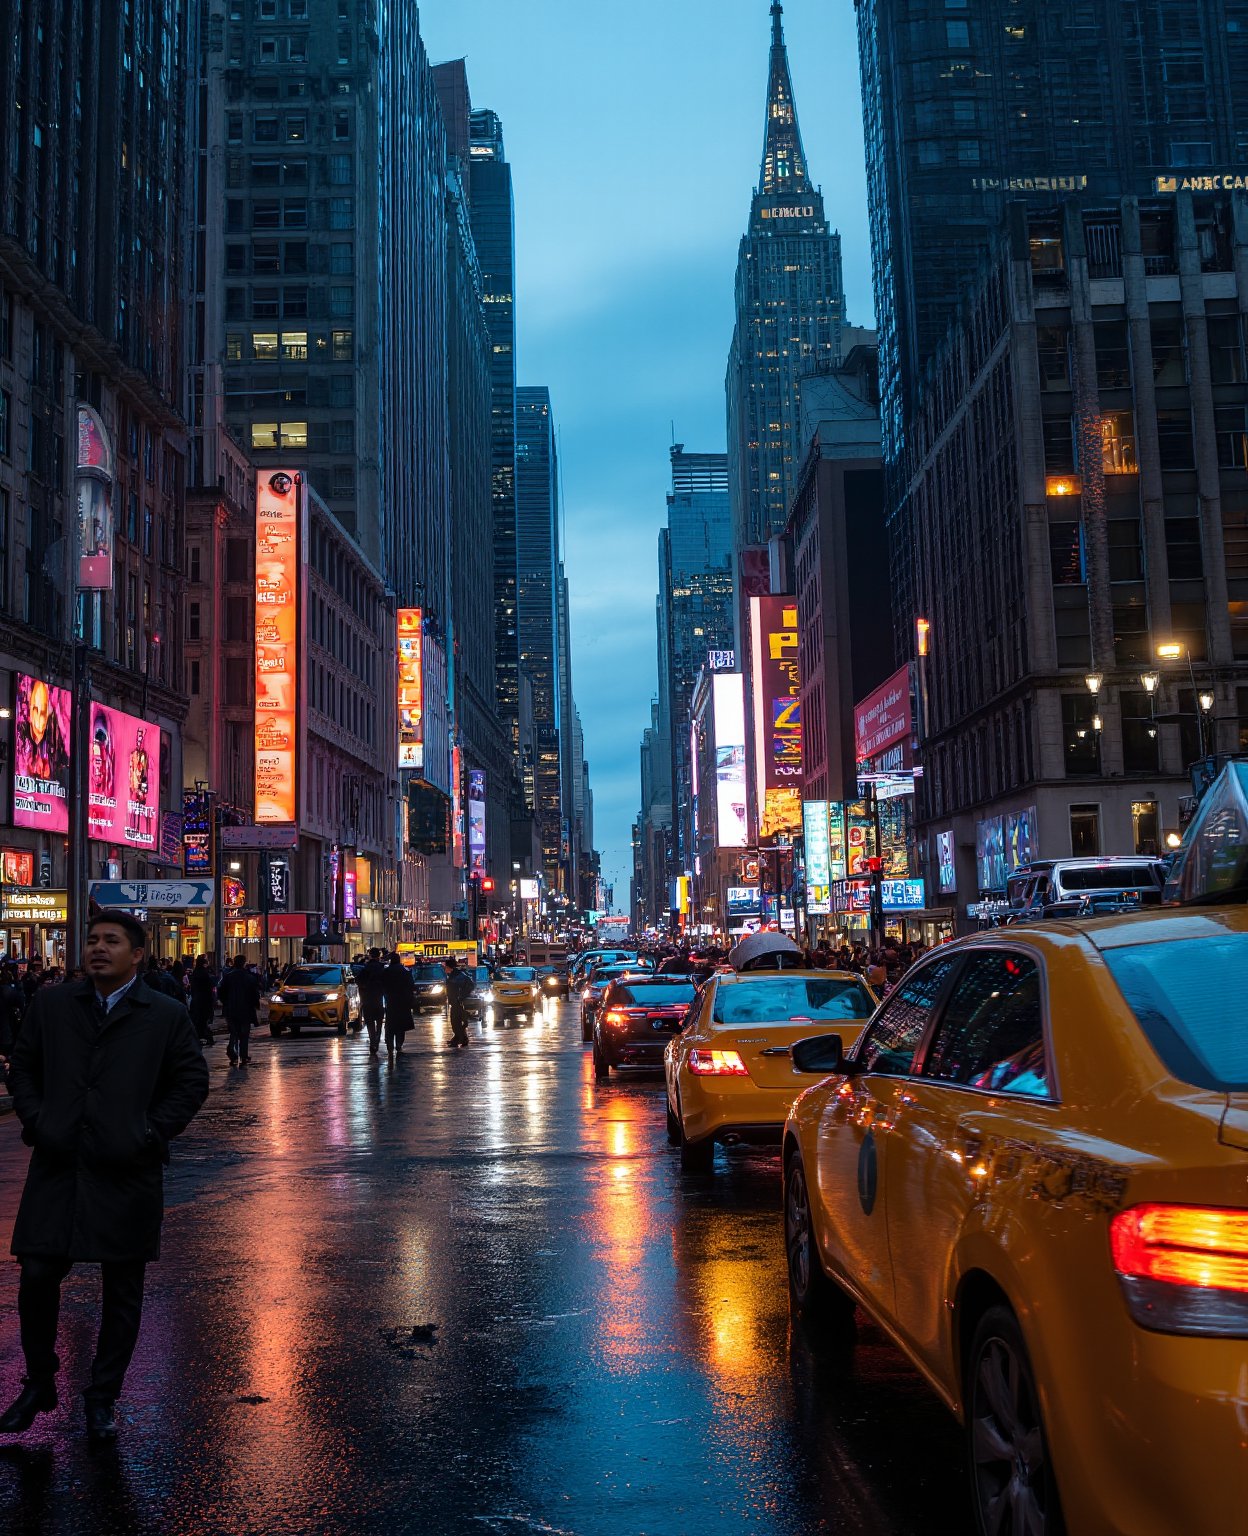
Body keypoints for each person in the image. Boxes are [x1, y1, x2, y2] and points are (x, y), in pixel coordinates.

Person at [1, 909, 209, 1441]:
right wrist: (38, 1119)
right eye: (92, 940)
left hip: (127, 1168)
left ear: (136, 954)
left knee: (123, 1288)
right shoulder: (52, 1005)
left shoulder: (163, 1014)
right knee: (39, 1275)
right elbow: (23, 1066)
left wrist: (149, 1131)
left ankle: (101, 1396)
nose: (97, 948)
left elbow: (190, 1082)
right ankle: (40, 1382)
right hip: (58, 1162)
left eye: (111, 941)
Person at [217, 955, 262, 1066]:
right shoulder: (249, 977)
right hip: (245, 1009)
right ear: (244, 963)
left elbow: (221, 991)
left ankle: (233, 1053)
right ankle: (243, 1055)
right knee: (244, 1033)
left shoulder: (228, 977)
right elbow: (255, 994)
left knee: (234, 1031)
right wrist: (256, 1005)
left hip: (231, 1008)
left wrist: (225, 1003)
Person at [382, 953, 414, 1057]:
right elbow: (411, 985)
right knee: (401, 1025)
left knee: (391, 1024)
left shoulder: (386, 971)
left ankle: (390, 1044)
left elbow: (383, 985)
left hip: (391, 1001)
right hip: (403, 1001)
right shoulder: (405, 971)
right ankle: (399, 1044)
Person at [357, 948, 388, 1057]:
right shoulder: (382, 968)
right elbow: (387, 983)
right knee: (379, 1023)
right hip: (379, 999)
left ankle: (373, 1042)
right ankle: (376, 1041)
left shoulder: (365, 968)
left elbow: (358, 981)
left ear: (370, 955)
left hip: (368, 999)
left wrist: (364, 988)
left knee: (369, 1023)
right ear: (378, 956)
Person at [444, 958, 474, 1049]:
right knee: (455, 1021)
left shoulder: (458, 976)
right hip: (455, 1001)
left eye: (446, 967)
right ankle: (459, 1037)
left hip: (458, 1002)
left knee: (457, 1021)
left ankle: (460, 1038)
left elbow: (469, 986)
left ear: (449, 967)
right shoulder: (454, 975)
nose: (445, 969)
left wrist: (460, 997)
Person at [187, 955, 217, 1047]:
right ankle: (206, 1037)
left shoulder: (196, 973)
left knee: (199, 1020)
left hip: (197, 999)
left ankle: (202, 1037)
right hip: (204, 1000)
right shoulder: (204, 973)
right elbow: (210, 985)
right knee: (203, 1020)